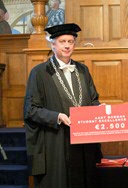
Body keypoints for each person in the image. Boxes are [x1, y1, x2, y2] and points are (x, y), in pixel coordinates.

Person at [24, 23, 102, 188]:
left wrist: (101, 110)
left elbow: (94, 100)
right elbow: (31, 110)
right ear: (53, 44)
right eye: (62, 41)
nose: (67, 45)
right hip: (56, 142)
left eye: (71, 41)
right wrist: (57, 117)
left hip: (83, 144)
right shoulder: (39, 72)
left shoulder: (83, 70)